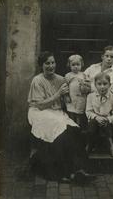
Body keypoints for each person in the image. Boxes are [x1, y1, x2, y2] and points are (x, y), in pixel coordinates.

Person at [27, 51, 92, 182]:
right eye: (47, 63)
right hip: (39, 112)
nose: (51, 66)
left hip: (55, 112)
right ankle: (62, 172)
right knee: (59, 132)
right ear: (41, 65)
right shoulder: (37, 80)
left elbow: (68, 98)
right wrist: (58, 94)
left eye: (53, 62)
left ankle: (77, 170)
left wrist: (82, 89)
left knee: (73, 130)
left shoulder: (61, 79)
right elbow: (39, 105)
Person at [86, 72, 113, 156]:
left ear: (109, 85)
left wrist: (108, 119)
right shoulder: (90, 96)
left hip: (107, 121)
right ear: (95, 85)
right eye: (99, 84)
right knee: (92, 124)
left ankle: (111, 146)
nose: (102, 87)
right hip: (95, 120)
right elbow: (88, 111)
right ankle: (90, 144)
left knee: (106, 124)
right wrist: (96, 117)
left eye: (105, 84)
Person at [65, 54, 91, 129]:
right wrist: (66, 96)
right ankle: (72, 127)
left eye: (78, 64)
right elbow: (65, 86)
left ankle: (79, 127)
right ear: (69, 65)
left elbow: (88, 85)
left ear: (81, 64)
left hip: (81, 97)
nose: (76, 66)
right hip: (71, 98)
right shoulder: (68, 76)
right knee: (71, 113)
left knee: (79, 114)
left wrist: (85, 86)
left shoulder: (84, 75)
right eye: (73, 65)